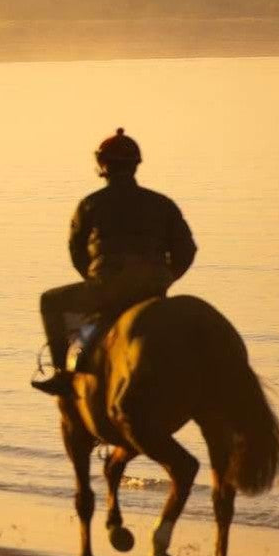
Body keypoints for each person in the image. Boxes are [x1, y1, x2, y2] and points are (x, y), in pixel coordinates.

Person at [32, 127, 197, 396]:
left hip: (107, 288)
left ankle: (63, 374)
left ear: (102, 165)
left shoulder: (90, 205)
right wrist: (164, 279)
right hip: (154, 288)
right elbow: (187, 251)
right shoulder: (163, 204)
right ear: (135, 166)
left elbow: (77, 253)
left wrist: (98, 282)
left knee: (50, 300)